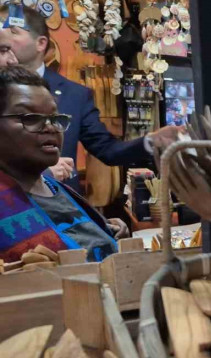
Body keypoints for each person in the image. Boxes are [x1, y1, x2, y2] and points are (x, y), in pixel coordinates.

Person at [0, 6, 180, 190]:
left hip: (63, 208)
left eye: (12, 31)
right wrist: (44, 175)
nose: (2, 34)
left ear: (41, 43)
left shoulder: (75, 95)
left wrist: (150, 142)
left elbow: (107, 150)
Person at [0, 66, 128, 262]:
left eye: (55, 117)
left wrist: (104, 230)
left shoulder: (57, 189)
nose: (50, 127)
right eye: (30, 118)